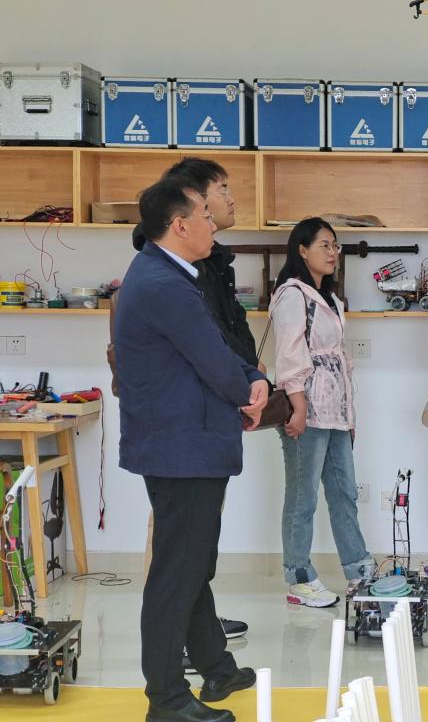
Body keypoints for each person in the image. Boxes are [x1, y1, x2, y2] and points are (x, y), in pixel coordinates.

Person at [115, 178, 268, 722]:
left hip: (184, 442)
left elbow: (219, 345)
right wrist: (249, 390)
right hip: (181, 448)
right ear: (179, 225)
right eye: (205, 212)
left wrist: (252, 377)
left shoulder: (174, 275)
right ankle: (167, 699)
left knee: (191, 563)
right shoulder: (163, 283)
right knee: (176, 574)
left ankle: (216, 667)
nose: (213, 221)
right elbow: (213, 359)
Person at [269, 217, 375, 607]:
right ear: (302, 250)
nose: (333, 253)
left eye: (336, 246)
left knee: (344, 492)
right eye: (324, 245)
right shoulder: (291, 294)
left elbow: (339, 361)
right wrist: (297, 405)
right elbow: (289, 352)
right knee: (303, 497)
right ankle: (298, 577)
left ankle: (358, 570)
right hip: (306, 409)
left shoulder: (328, 298)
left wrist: (349, 417)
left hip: (334, 412)